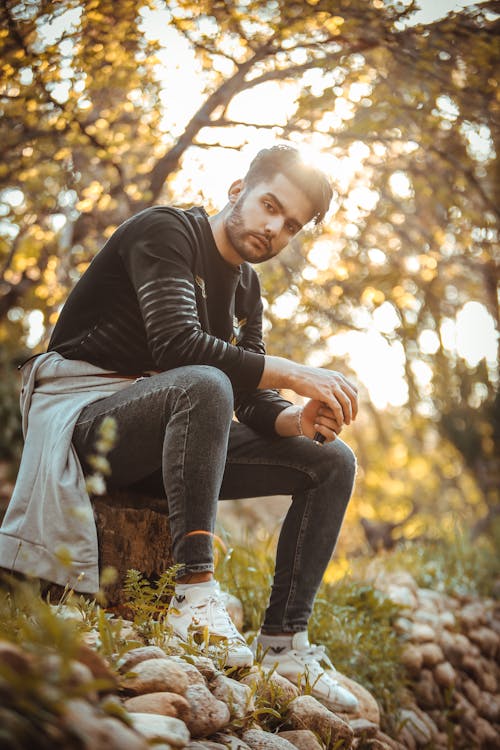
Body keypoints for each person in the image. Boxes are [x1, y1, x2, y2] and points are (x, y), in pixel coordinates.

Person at [0, 145, 359, 712]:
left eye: (290, 225)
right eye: (270, 206)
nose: (274, 229)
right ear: (237, 190)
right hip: (86, 419)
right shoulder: (167, 231)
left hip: (175, 432)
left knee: (330, 461)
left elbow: (251, 396)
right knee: (203, 382)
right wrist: (298, 372)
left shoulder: (246, 288)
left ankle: (285, 641)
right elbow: (179, 347)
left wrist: (295, 416)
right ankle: (194, 595)